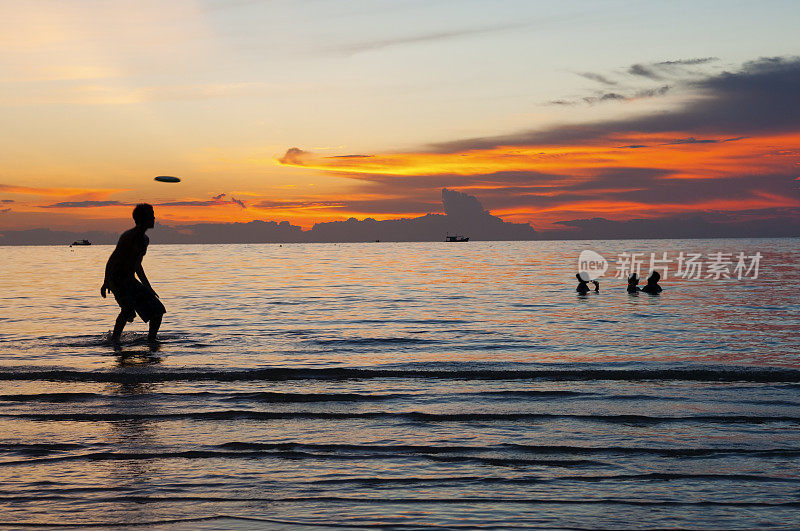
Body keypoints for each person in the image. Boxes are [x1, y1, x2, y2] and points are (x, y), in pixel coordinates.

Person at [101, 203, 165, 345]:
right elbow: (112, 260)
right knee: (128, 310)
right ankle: (114, 341)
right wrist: (106, 281)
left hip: (130, 280)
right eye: (151, 215)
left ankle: (151, 341)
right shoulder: (128, 237)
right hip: (117, 280)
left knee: (158, 311)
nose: (154, 217)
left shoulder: (144, 240)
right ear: (144, 219)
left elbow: (137, 266)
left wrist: (148, 287)